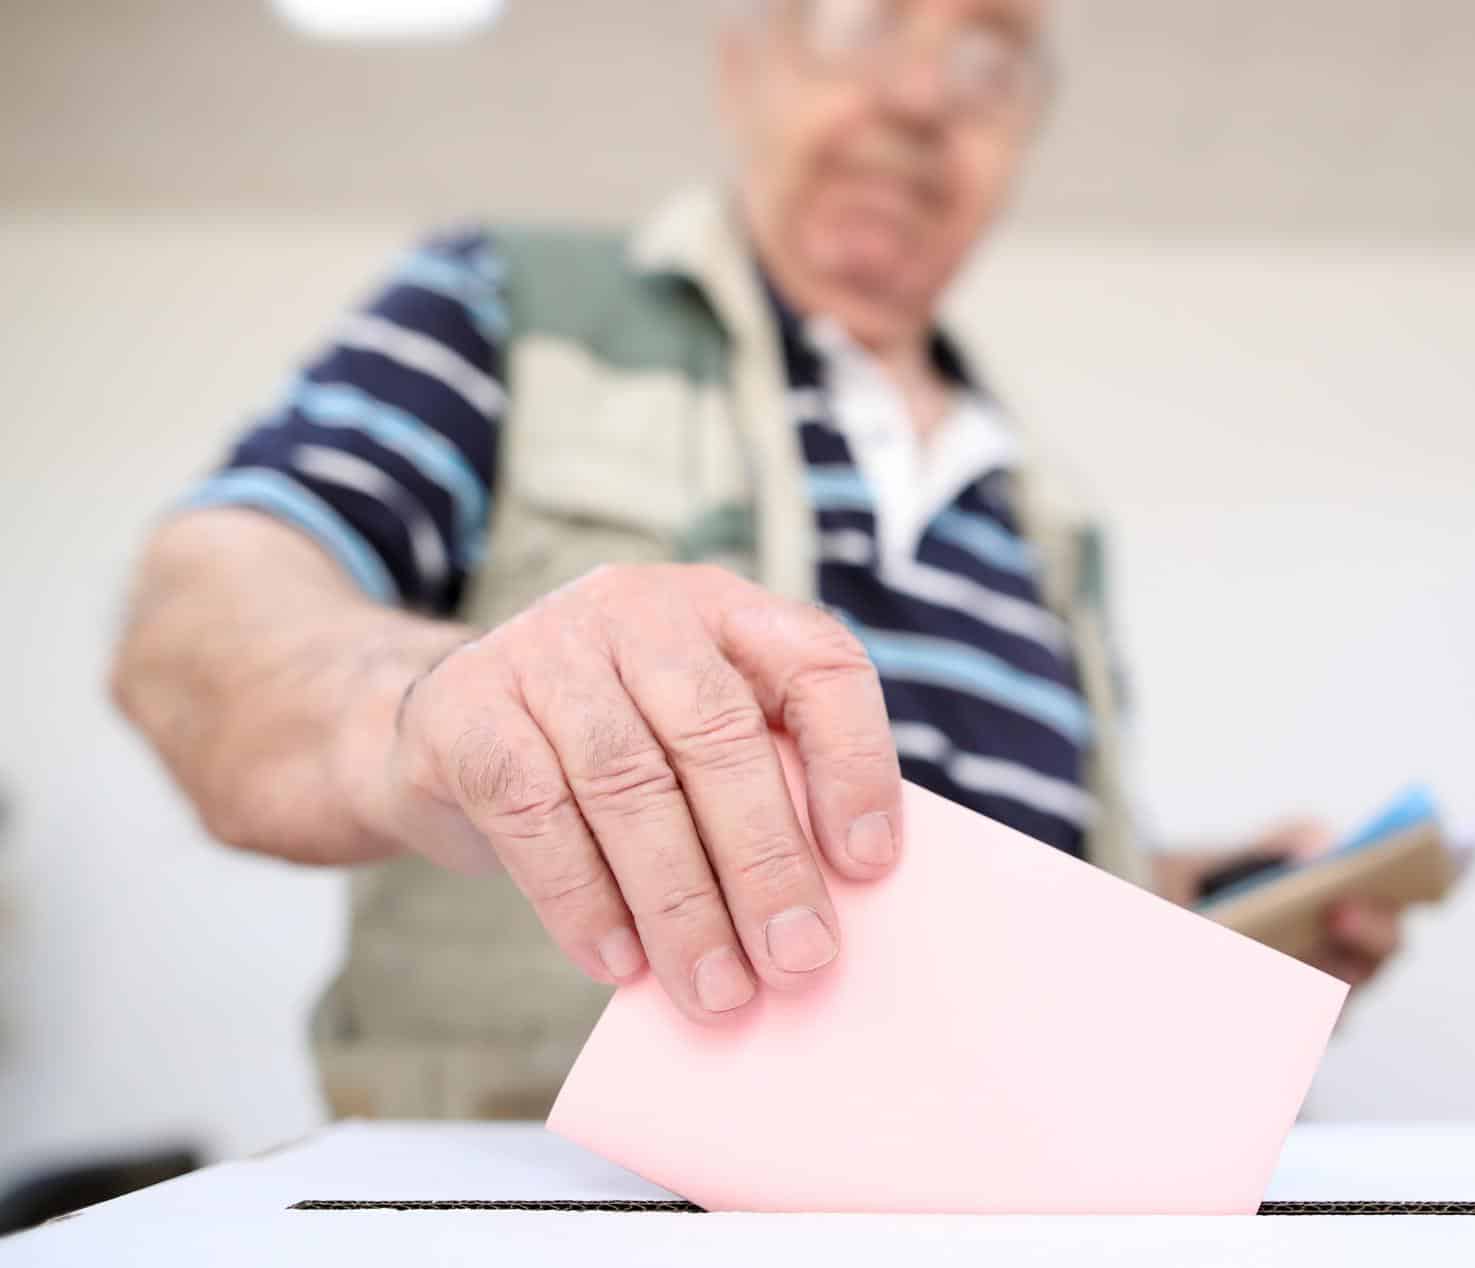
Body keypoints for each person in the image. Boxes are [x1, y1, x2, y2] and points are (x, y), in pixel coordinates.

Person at [110, 0, 1401, 1119]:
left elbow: (981, 885)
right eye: (862, 20)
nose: (915, 99)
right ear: (745, 65)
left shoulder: (1048, 517)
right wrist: (426, 707)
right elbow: (200, 618)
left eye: (988, 58)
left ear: (1025, 142)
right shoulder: (502, 304)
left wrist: (1220, 921)